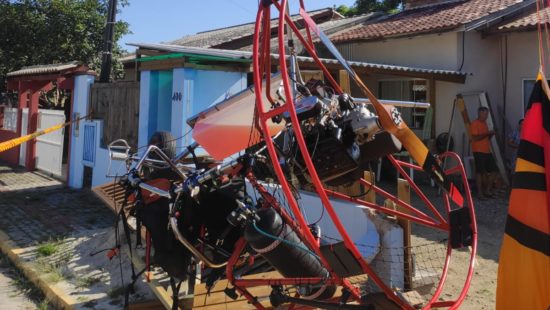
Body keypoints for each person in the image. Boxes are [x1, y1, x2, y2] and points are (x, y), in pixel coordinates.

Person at [470, 106, 496, 199]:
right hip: (478, 151)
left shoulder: (485, 123)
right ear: (480, 113)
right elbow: (475, 138)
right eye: (485, 114)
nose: (486, 116)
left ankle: (487, 190)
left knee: (494, 170)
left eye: (487, 114)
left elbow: (485, 138)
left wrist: (491, 135)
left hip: (487, 151)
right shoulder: (474, 124)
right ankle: (480, 194)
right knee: (479, 172)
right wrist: (487, 133)